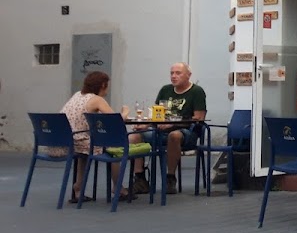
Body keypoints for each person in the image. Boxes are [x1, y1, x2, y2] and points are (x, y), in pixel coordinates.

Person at [58, 71, 137, 203]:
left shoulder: (77, 95)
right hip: (82, 142)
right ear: (103, 85)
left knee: (85, 153)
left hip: (67, 142)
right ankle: (119, 188)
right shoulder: (96, 100)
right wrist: (126, 111)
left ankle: (78, 188)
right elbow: (115, 120)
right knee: (115, 148)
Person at [133, 62, 206, 194]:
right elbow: (155, 114)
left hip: (186, 131)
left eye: (178, 73)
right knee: (135, 136)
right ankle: (140, 178)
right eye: (172, 73)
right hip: (161, 130)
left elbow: (199, 118)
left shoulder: (196, 91)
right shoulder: (165, 90)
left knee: (174, 136)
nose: (173, 76)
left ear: (188, 75)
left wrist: (173, 124)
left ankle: (170, 178)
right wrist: (146, 125)